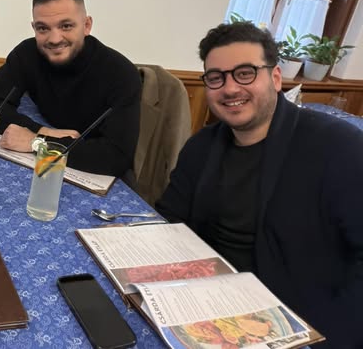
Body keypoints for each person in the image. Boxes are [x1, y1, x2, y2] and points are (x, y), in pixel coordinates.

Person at [156, 22, 363, 348]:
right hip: (205, 306)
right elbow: (170, 220)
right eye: (216, 77)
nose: (230, 88)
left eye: (245, 73)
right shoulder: (202, 146)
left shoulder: (339, 148)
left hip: (296, 322)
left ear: (276, 78)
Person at [0, 0, 140, 181]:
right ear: (34, 28)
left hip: (95, 173)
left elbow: (116, 157)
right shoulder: (26, 54)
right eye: (43, 28)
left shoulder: (121, 73)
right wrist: (45, 132)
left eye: (66, 26)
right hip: (49, 160)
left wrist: (36, 142)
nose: (55, 39)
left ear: (87, 25)